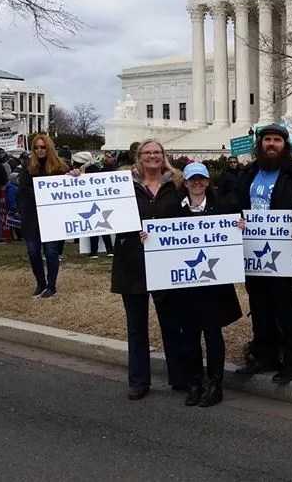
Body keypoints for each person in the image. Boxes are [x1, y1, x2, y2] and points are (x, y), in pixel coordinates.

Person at [157, 162, 244, 407]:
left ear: (208, 182)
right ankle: (195, 383)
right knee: (190, 336)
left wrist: (240, 228)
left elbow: (234, 239)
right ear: (184, 183)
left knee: (213, 334)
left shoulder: (223, 209)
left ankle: (215, 384)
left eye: (201, 179)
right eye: (192, 179)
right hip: (185, 286)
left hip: (214, 285)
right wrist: (148, 237)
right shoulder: (172, 210)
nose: (197, 183)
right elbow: (162, 241)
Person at [234, 124, 292, 384]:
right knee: (259, 306)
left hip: (284, 254)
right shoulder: (247, 174)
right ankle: (263, 354)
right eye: (267, 139)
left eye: (277, 140)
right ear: (260, 144)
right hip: (253, 253)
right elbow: (233, 205)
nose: (271, 144)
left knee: (285, 306)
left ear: (285, 145)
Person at [111, 139, 187, 400]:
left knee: (173, 323)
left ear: (163, 156)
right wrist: (75, 177)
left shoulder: (176, 184)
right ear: (139, 157)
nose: (152, 156)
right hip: (131, 261)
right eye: (147, 153)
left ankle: (180, 376)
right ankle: (139, 380)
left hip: (166, 263)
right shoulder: (123, 185)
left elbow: (200, 209)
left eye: (157, 152)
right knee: (136, 326)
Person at [17, 134, 71, 298]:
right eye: (36, 147)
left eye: (43, 147)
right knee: (33, 252)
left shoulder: (61, 166)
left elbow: (71, 187)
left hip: (52, 217)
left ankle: (51, 286)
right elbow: (23, 190)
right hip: (31, 215)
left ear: (49, 147)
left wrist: (75, 175)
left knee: (51, 252)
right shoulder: (28, 166)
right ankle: (40, 283)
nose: (39, 150)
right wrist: (42, 193)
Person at [82, 152, 115, 258]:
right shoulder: (105, 168)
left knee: (95, 227)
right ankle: (109, 250)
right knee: (103, 226)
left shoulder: (90, 169)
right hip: (102, 199)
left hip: (93, 200)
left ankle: (94, 251)